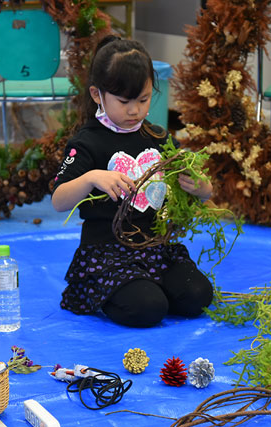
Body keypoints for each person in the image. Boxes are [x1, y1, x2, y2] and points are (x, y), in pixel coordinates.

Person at [51, 35, 213, 328]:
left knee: (198, 297)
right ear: (98, 95)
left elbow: (201, 189)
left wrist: (200, 188)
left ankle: (148, 287)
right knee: (148, 309)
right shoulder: (87, 142)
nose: (135, 110)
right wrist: (91, 178)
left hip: (155, 248)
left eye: (144, 99)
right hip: (106, 255)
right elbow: (59, 200)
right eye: (124, 102)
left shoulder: (159, 137)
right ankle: (104, 291)